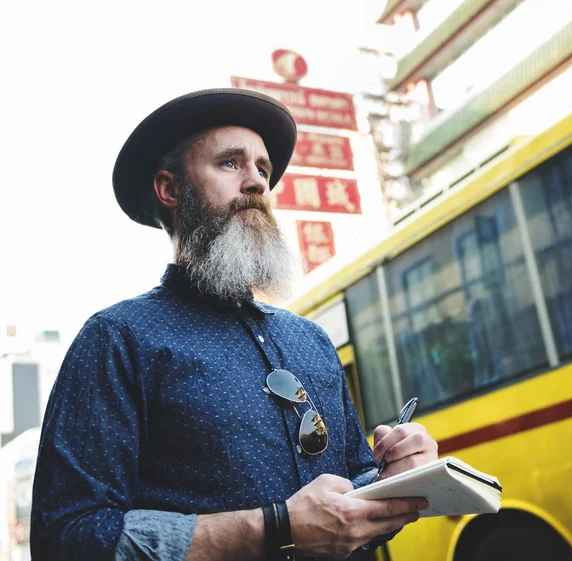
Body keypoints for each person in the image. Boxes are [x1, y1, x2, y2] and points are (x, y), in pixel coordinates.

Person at [31, 89, 438, 561]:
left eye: (263, 169)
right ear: (170, 188)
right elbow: (68, 537)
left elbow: (352, 496)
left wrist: (398, 477)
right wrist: (275, 528)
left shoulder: (311, 339)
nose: (256, 184)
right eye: (230, 163)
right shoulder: (118, 338)